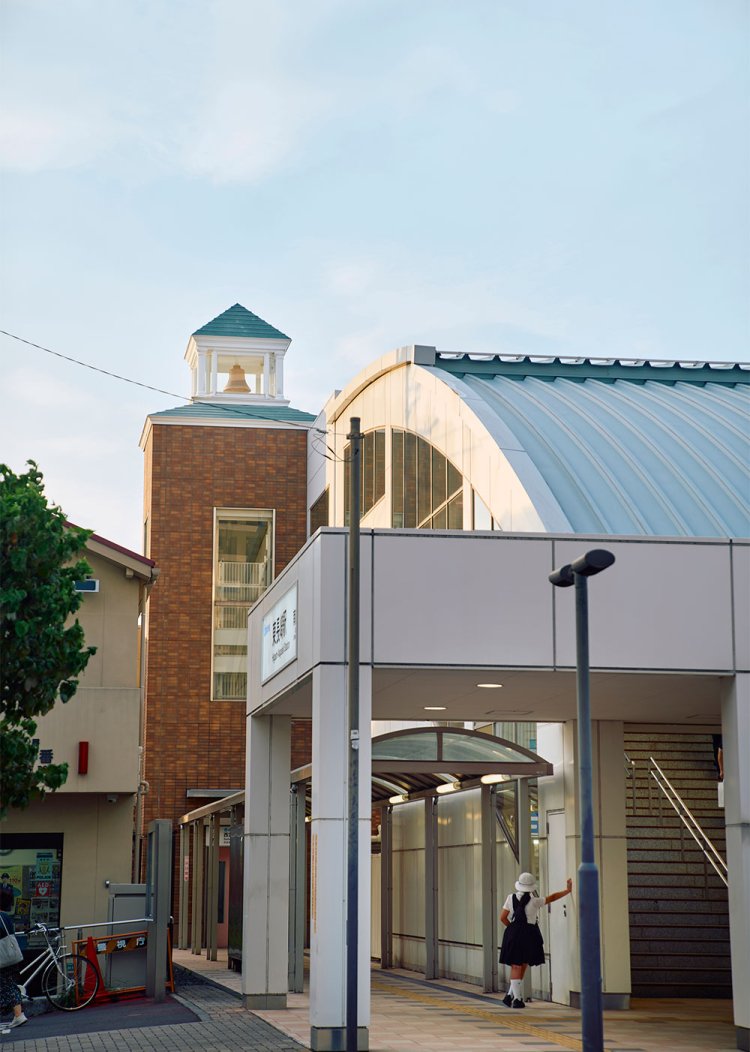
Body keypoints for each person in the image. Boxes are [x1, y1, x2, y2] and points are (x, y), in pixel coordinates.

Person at [499, 871, 572, 1009]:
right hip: (530, 934)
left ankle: (511, 996)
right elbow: (552, 897)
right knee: (523, 963)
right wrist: (567, 891)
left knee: (515, 964)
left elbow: (502, 917)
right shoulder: (535, 901)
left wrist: (513, 929)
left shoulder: (510, 897)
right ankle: (517, 999)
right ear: (532, 887)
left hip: (514, 933)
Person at [0, 907, 26, 1030]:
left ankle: (18, 1014)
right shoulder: (5, 915)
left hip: (2, 958)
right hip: (11, 955)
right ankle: (18, 1013)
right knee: (9, 983)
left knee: (7, 985)